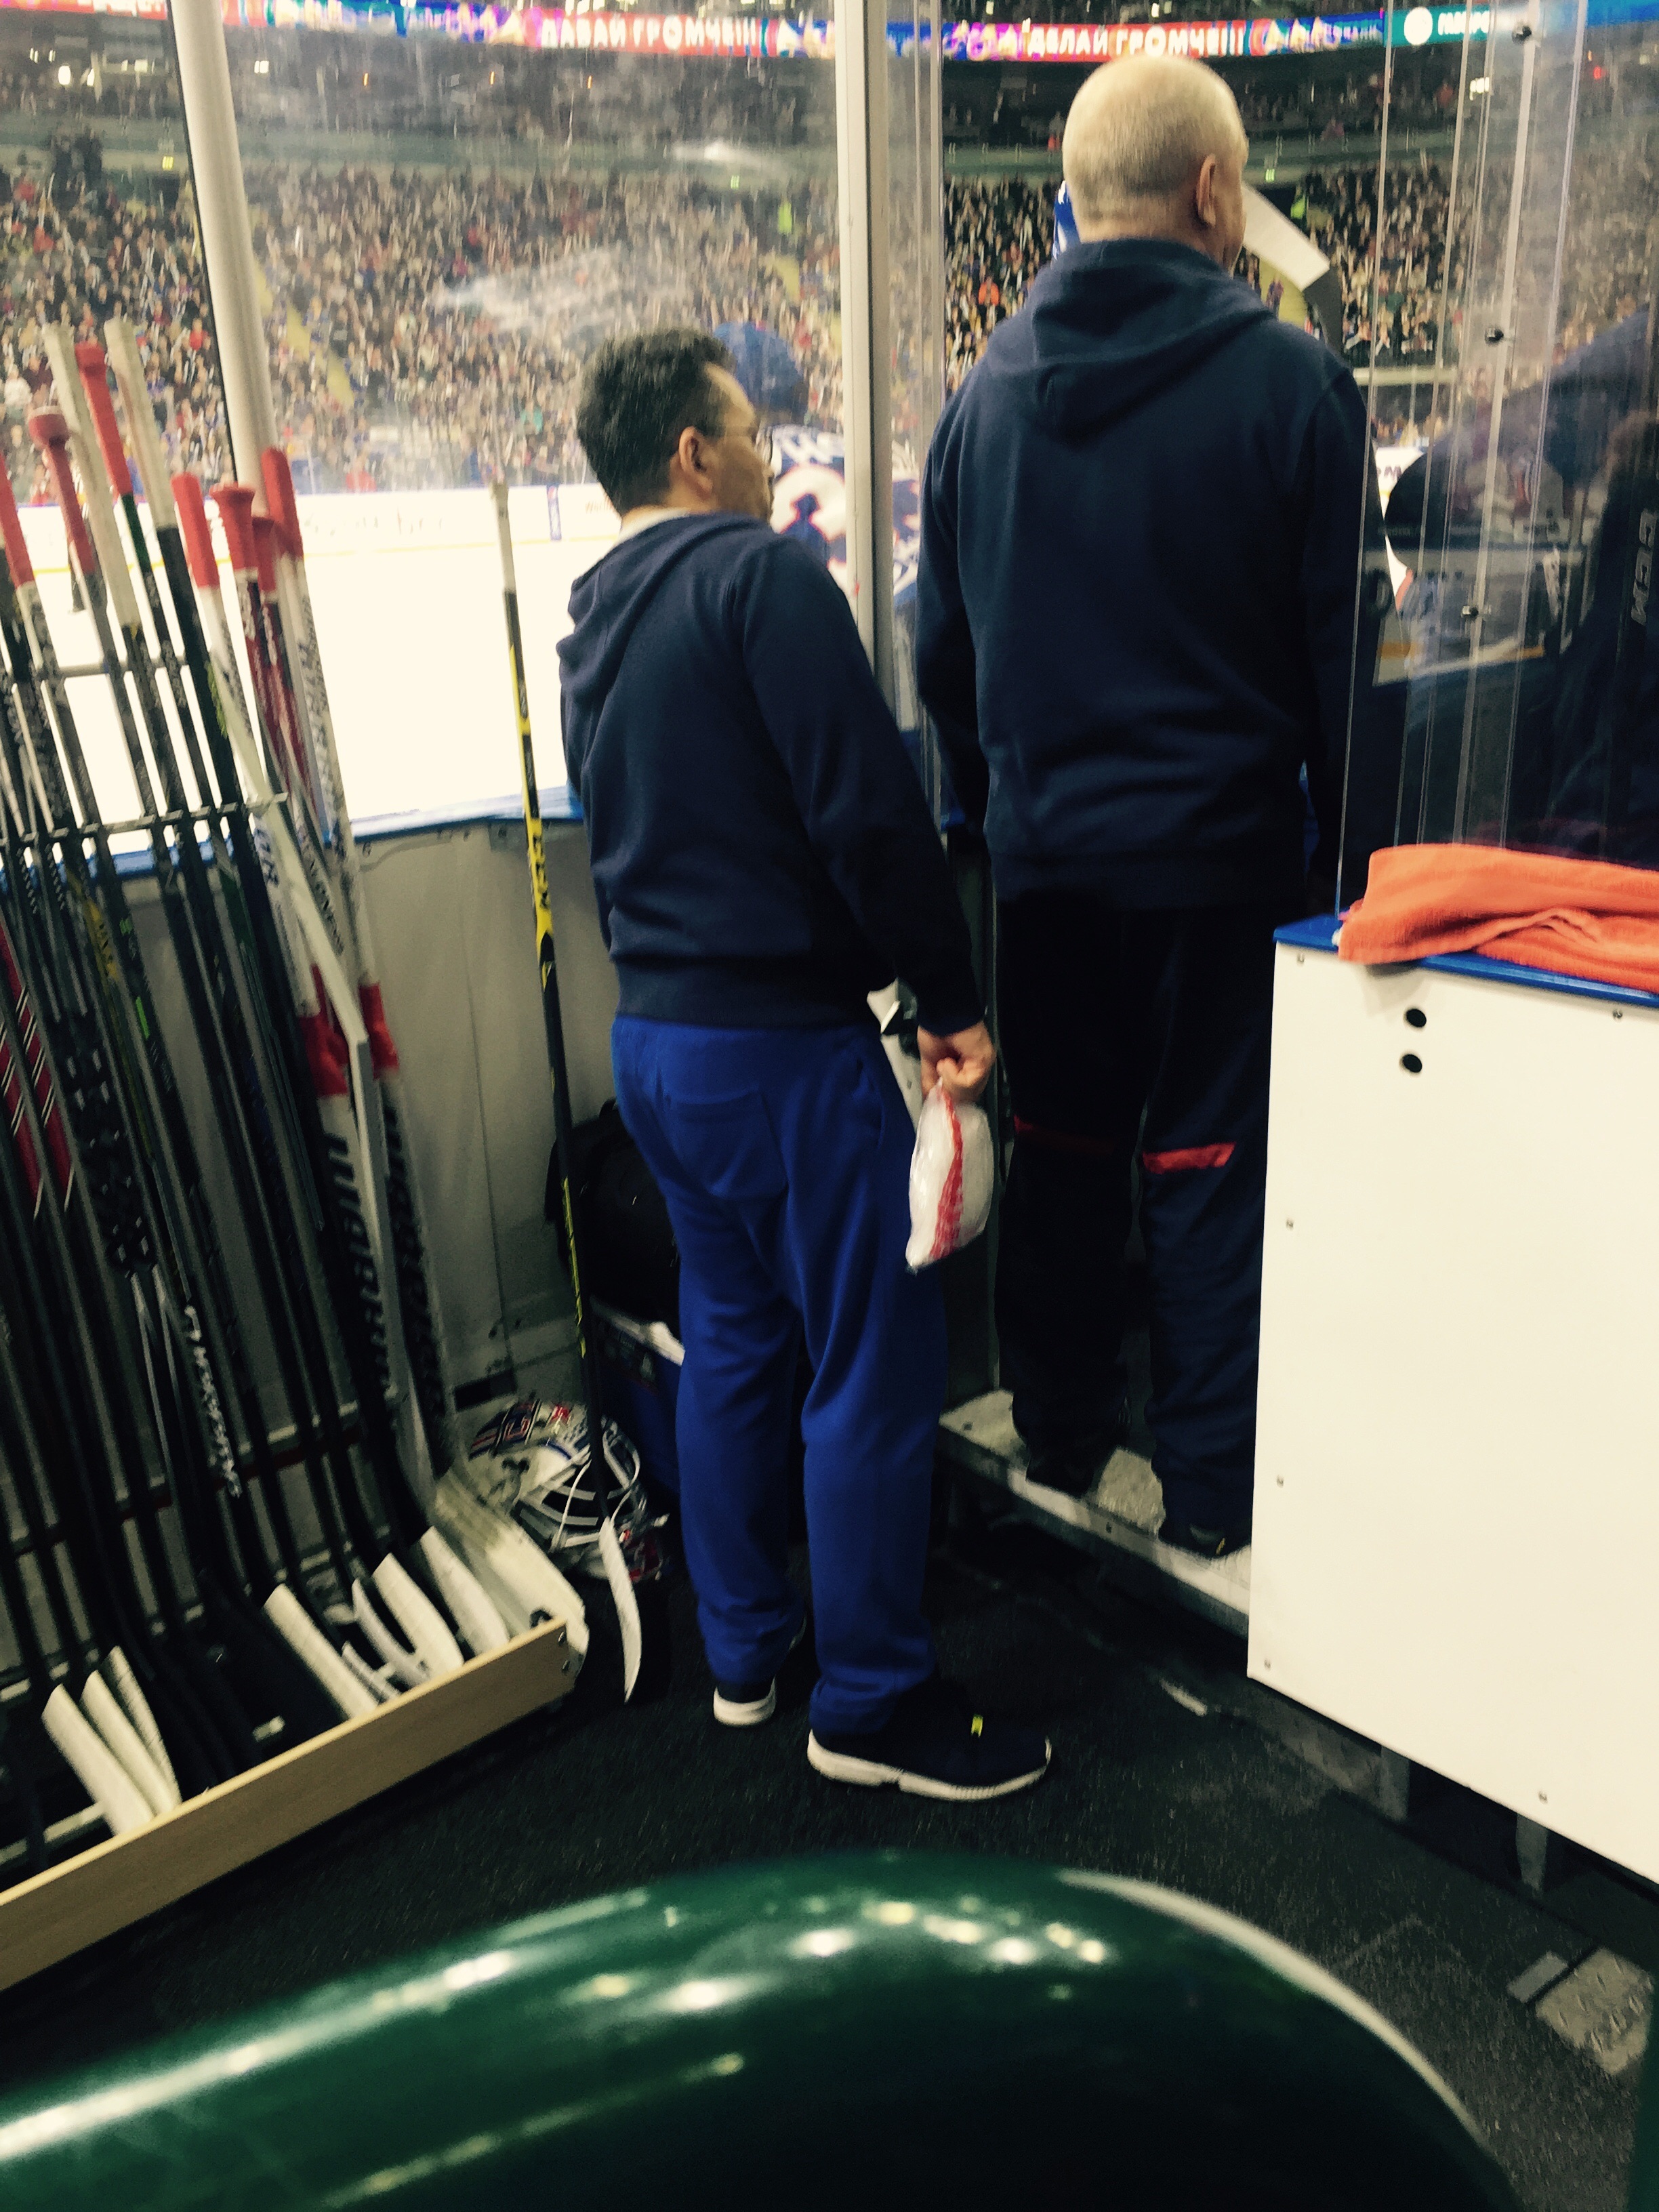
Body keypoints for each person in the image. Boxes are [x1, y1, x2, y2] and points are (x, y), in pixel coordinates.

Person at [559, 327, 1050, 1799]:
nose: (771, 462)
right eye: (753, 436)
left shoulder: (595, 617)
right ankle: (874, 1704)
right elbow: (870, 813)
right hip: (779, 1052)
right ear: (693, 453)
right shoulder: (758, 577)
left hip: (658, 1050)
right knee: (872, 1360)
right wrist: (953, 1001)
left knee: (733, 1341)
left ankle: (745, 1656)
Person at [916, 55, 1384, 1555]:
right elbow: (1350, 668)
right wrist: (1355, 878)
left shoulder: (980, 397)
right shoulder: (1297, 387)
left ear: (1073, 200)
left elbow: (941, 665)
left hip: (1046, 872)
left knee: (1061, 1149)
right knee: (1206, 1171)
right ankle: (1212, 1492)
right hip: (1219, 872)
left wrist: (1000, 817)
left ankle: (1060, 1433)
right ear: (1215, 192)